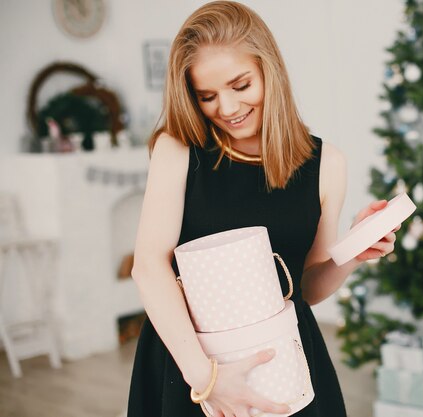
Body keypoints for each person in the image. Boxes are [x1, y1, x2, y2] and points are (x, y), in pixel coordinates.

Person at [127, 2, 399, 416]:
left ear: (269, 68)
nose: (229, 108)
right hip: (188, 364)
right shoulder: (178, 149)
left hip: (285, 357)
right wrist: (207, 380)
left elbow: (306, 288)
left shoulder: (327, 165)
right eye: (207, 96)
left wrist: (352, 255)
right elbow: (148, 267)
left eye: (241, 85)